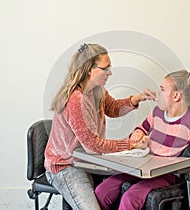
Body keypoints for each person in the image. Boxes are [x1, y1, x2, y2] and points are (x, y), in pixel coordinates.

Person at [44, 43, 155, 210]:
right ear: (89, 69)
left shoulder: (97, 90)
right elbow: (94, 145)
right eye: (106, 68)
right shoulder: (75, 100)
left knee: (116, 193)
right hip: (65, 166)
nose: (110, 73)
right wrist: (131, 144)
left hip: (87, 161)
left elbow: (112, 108)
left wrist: (136, 98)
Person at [95, 69, 190, 210]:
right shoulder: (156, 114)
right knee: (103, 191)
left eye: (162, 89)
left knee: (131, 198)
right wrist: (138, 135)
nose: (158, 93)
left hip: (166, 176)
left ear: (175, 96)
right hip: (143, 168)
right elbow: (141, 129)